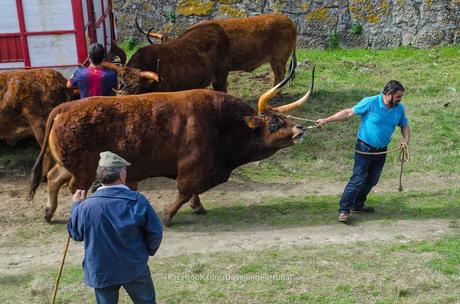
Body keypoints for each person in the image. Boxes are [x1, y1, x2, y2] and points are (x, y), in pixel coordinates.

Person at [67, 151, 163, 303]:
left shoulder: (85, 206)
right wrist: (145, 252)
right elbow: (155, 232)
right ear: (121, 175)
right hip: (134, 266)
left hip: (101, 270)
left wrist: (76, 206)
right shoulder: (137, 201)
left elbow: (75, 234)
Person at [315, 80, 410, 222]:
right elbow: (348, 113)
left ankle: (357, 205)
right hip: (364, 148)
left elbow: (404, 125)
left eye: (400, 97)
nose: (400, 99)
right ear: (388, 94)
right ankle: (344, 209)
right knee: (358, 179)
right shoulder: (370, 102)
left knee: (372, 180)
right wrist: (326, 120)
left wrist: (405, 140)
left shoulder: (399, 109)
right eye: (398, 97)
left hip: (381, 151)